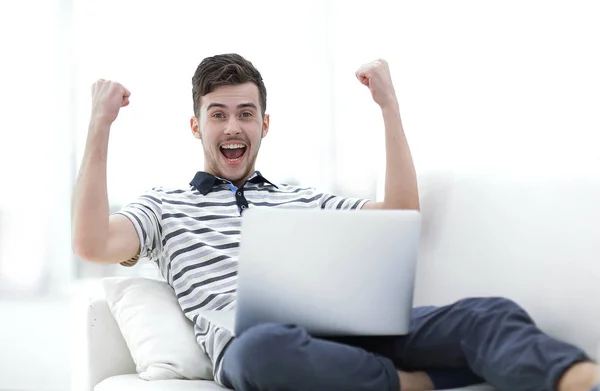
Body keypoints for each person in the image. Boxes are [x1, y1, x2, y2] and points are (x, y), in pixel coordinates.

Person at [71, 53, 600, 391]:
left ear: (264, 124)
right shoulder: (164, 205)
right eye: (218, 114)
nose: (233, 126)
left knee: (488, 315)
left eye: (245, 113)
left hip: (347, 337)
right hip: (259, 350)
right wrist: (100, 126)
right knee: (262, 350)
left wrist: (388, 107)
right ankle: (411, 384)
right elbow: (92, 242)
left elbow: (400, 215)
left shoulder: (301, 197)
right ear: (196, 125)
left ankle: (580, 380)